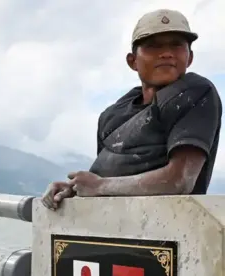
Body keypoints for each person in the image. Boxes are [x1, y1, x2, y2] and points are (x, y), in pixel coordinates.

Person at [43, 9, 222, 210]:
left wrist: (100, 185)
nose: (166, 53)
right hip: (118, 230)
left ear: (189, 58)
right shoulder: (112, 115)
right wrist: (73, 189)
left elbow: (180, 180)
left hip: (168, 232)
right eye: (153, 46)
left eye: (176, 45)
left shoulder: (196, 93)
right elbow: (107, 181)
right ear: (132, 61)